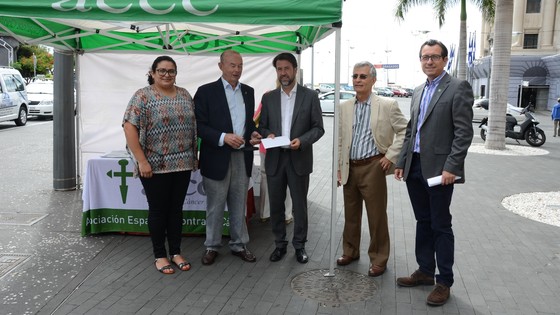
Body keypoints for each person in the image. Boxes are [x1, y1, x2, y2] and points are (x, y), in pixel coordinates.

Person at [394, 39, 474, 306]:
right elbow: (411, 130)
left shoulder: (457, 87)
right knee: (422, 221)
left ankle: (444, 281)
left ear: (444, 60)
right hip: (414, 166)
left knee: (441, 225)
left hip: (440, 171)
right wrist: (401, 161)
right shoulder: (417, 90)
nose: (429, 61)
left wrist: (452, 166)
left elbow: (463, 132)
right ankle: (425, 271)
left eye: (434, 57)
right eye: (425, 57)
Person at [123, 55, 197, 274]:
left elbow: (193, 127)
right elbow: (129, 128)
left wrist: (194, 155)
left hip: (182, 163)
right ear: (152, 73)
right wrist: (142, 161)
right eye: (162, 70)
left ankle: (175, 252)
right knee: (158, 211)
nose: (167, 75)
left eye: (171, 71)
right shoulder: (142, 96)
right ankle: (159, 255)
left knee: (176, 211)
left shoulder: (184, 94)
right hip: (154, 166)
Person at [336, 61, 407, 277]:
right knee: (350, 215)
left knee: (376, 217)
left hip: (373, 167)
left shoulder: (387, 105)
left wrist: (390, 156)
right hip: (350, 167)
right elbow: (341, 140)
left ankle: (378, 258)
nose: (357, 80)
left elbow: (405, 131)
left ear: (373, 80)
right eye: (355, 76)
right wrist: (339, 168)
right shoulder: (345, 107)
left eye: (363, 76)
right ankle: (350, 251)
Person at [194, 49, 261, 266]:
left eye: (240, 65)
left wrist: (252, 134)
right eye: (232, 65)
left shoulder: (248, 92)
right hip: (216, 156)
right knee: (215, 204)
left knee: (238, 203)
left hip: (242, 156)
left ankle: (239, 244)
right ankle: (212, 246)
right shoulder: (205, 92)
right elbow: (199, 126)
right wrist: (223, 137)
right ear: (220, 66)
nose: (237, 70)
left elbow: (248, 124)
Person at [258, 52, 324, 264]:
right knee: (276, 205)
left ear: (295, 70)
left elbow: (318, 128)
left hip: (299, 158)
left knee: (299, 206)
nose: (283, 73)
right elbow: (263, 126)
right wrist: (267, 134)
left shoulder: (310, 96)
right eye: (279, 69)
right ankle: (279, 245)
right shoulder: (268, 98)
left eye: (287, 68)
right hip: (276, 159)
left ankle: (300, 246)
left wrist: (302, 141)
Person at [254, 93, 294, 224]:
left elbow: (256, 120)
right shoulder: (268, 97)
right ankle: (287, 214)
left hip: (268, 146)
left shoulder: (267, 97)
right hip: (275, 146)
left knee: (266, 179)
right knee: (286, 179)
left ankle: (265, 213)